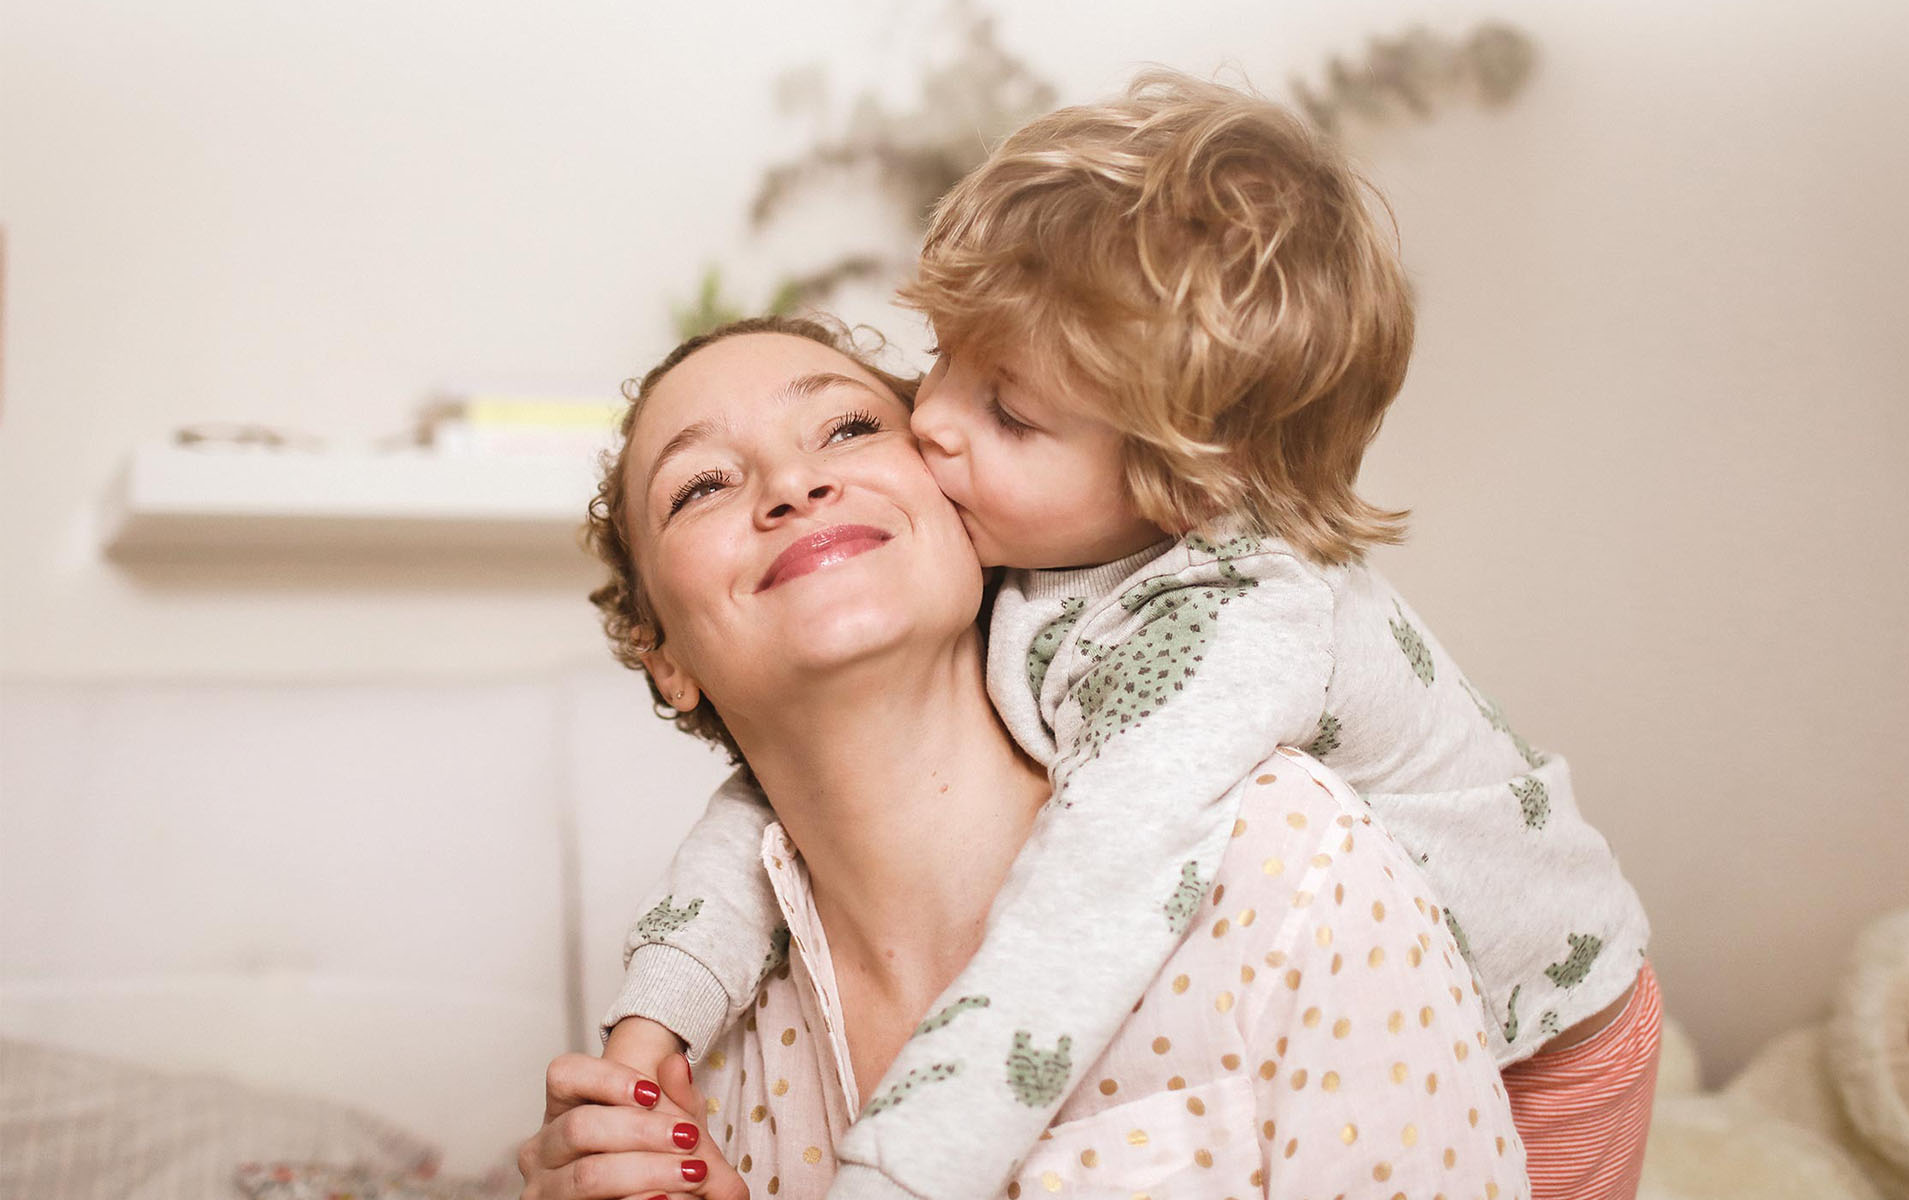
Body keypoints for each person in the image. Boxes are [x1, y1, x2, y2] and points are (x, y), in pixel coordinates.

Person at [602, 73, 1661, 1200]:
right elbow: (771, 809)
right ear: (664, 655)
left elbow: (1089, 905)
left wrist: (897, 1173)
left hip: (1555, 1037)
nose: (935, 423)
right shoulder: (1038, 534)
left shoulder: (1232, 654)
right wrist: (651, 1014)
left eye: (1005, 413)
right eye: (939, 360)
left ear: (1186, 488)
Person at [518, 317, 1527, 1199]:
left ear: (965, 510)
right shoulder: (699, 1067)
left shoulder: (1286, 860)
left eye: (851, 427)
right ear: (667, 658)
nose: (792, 483)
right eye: (701, 485)